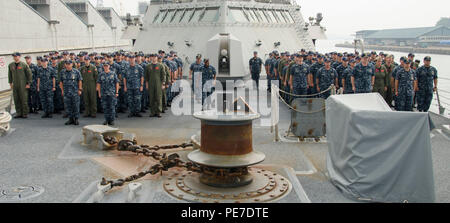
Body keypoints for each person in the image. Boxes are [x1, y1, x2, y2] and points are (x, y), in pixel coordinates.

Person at [8, 52, 32, 119]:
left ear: (19, 56)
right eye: (14, 56)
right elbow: (9, 75)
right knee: (16, 99)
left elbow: (29, 74)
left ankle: (24, 113)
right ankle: (18, 113)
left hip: (23, 84)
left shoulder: (24, 65)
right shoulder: (11, 65)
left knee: (24, 99)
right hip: (15, 85)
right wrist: (10, 83)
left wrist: (28, 83)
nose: (15, 57)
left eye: (16, 56)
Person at [60, 60, 83, 125]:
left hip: (75, 92)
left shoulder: (76, 71)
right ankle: (70, 119)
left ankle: (76, 119)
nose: (68, 65)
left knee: (76, 106)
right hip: (66, 92)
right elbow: (61, 82)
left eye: (69, 64)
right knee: (68, 106)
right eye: (66, 64)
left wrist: (80, 89)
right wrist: (62, 90)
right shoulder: (62, 72)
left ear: (72, 64)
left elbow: (80, 80)